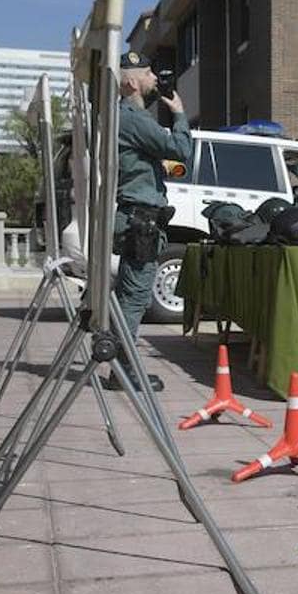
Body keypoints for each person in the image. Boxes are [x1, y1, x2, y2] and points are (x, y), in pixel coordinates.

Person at [109, 51, 192, 392]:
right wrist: (180, 114)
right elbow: (180, 150)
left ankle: (119, 365)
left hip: (139, 216)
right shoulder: (132, 117)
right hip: (139, 217)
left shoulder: (130, 117)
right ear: (130, 82)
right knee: (134, 297)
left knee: (132, 295)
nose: (155, 78)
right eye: (147, 73)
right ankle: (122, 370)